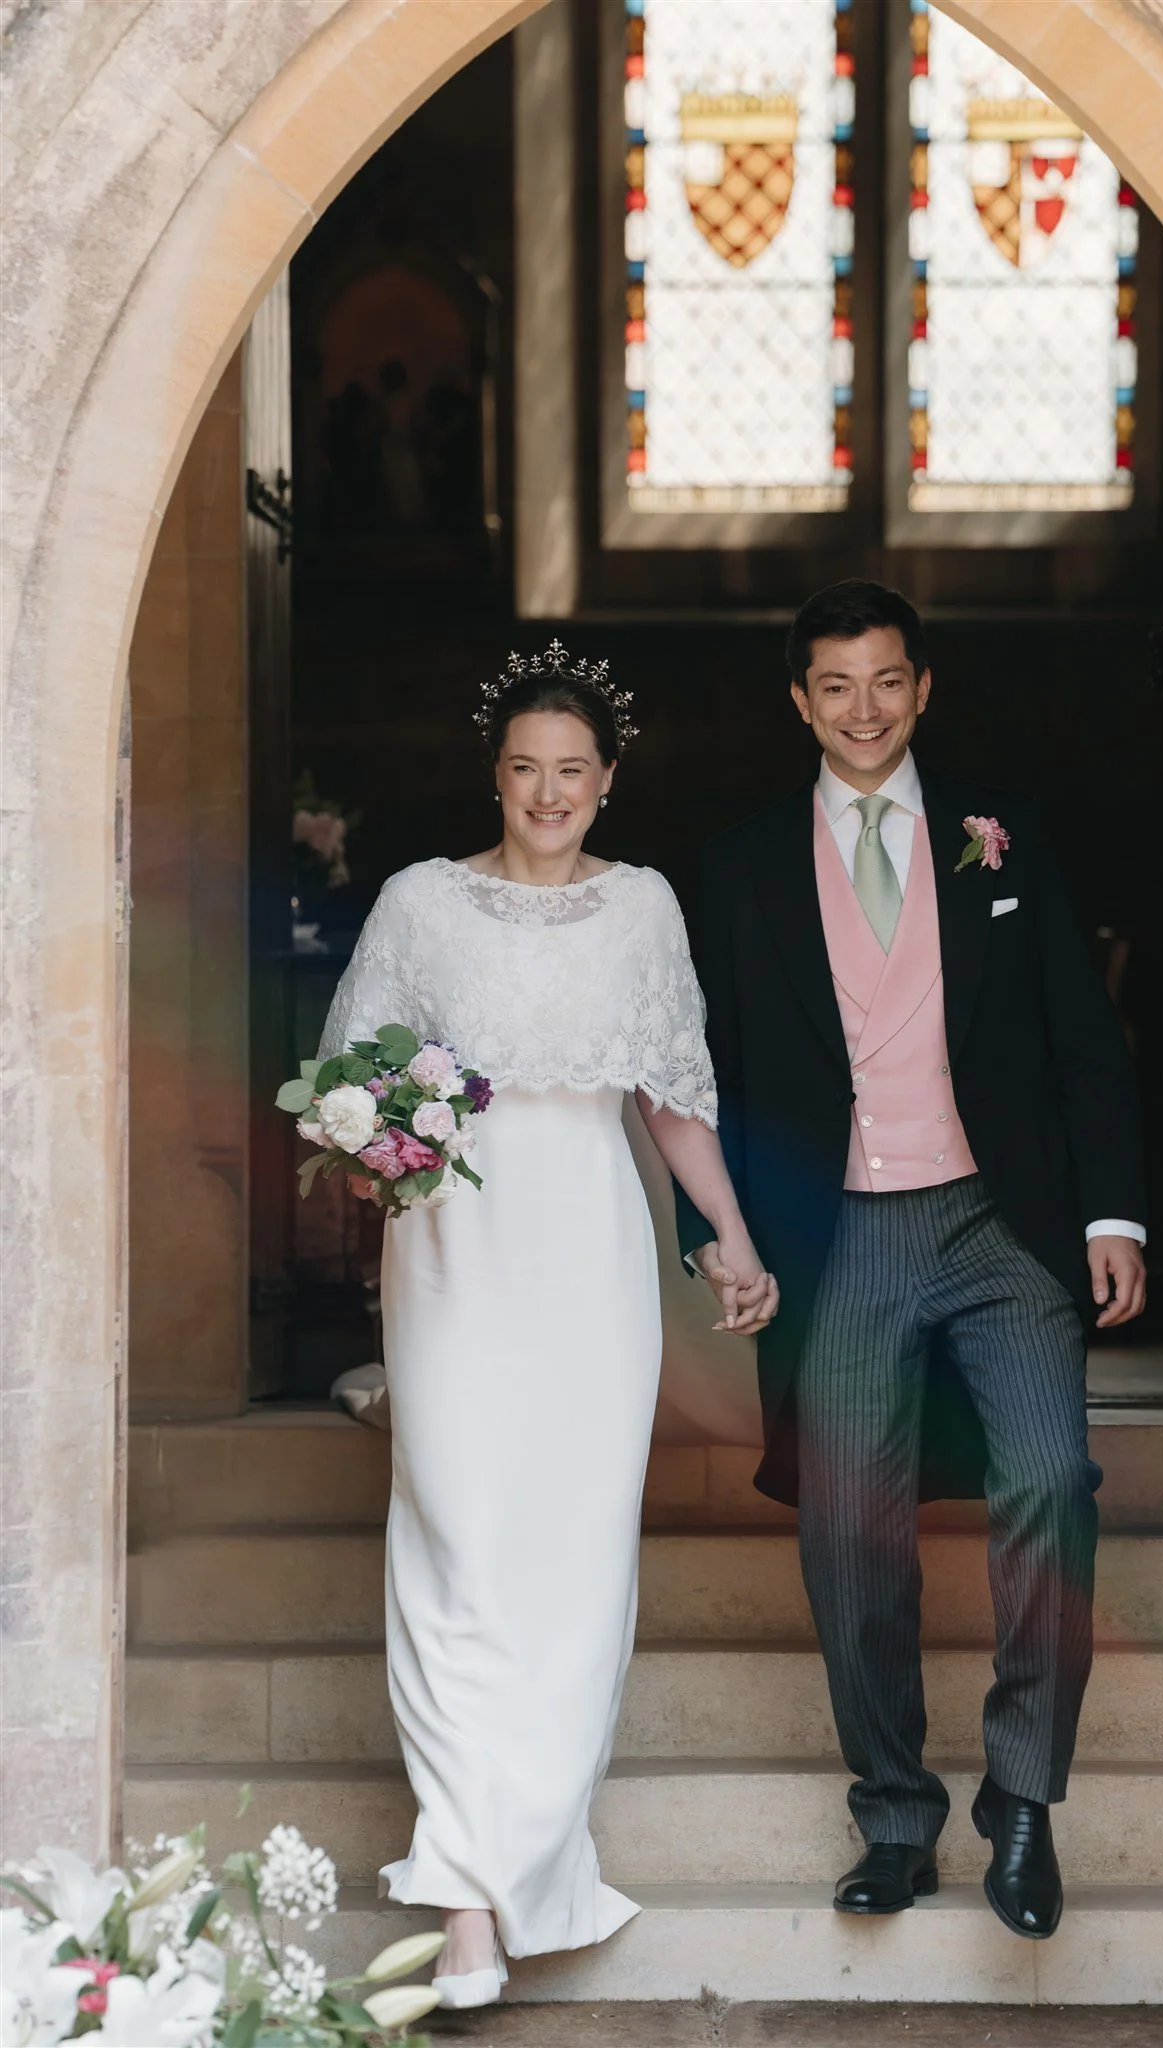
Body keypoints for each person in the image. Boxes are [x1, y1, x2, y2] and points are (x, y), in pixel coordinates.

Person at [676, 581, 1146, 1940]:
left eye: (887, 681)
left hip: (1004, 1224)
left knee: (1050, 1481)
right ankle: (894, 1813)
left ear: (923, 687)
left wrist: (1113, 1215)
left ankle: (1024, 1799)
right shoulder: (742, 864)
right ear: (800, 702)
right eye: (836, 686)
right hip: (845, 1232)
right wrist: (721, 1234)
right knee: (850, 1529)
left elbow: (1082, 1038)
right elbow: (706, 1068)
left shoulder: (1004, 835)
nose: (864, 709)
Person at [319, 644, 776, 2009]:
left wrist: (731, 1233)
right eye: (525, 769)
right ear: (496, 776)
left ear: (608, 781)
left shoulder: (643, 909)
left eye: (572, 771)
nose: (548, 793)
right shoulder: (419, 903)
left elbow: (671, 1095)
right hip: (452, 1247)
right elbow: (351, 1086)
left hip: (590, 1247)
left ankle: (522, 1855)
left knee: (573, 1558)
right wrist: (376, 1145)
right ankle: (464, 1891)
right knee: (457, 1538)